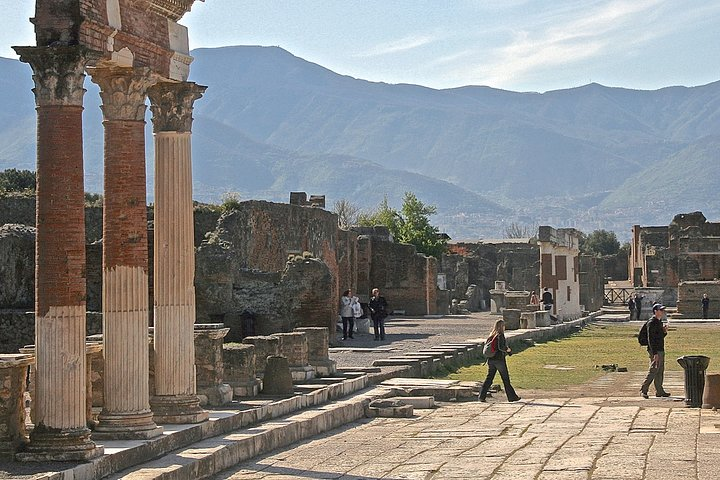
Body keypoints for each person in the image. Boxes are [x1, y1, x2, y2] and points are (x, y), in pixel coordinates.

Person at [479, 319, 521, 402]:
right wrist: (508, 350)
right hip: (499, 360)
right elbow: (501, 347)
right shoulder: (500, 335)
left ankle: (481, 396)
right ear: (501, 326)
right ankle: (512, 397)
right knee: (506, 379)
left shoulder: (491, 335)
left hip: (491, 360)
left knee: (489, 378)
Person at [640, 303, 670, 399]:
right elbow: (651, 339)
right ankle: (643, 389)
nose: (662, 312)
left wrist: (664, 332)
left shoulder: (658, 322)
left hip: (660, 349)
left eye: (662, 310)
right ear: (655, 311)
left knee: (660, 370)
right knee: (653, 370)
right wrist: (655, 353)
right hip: (655, 350)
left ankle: (659, 390)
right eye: (660, 310)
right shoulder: (652, 323)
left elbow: (659, 337)